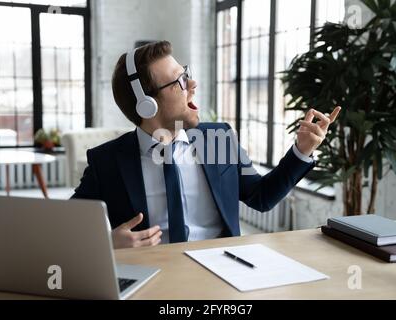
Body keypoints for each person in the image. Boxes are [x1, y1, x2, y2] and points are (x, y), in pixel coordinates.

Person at [71, 40, 341, 249]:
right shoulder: (106, 162)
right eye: (179, 81)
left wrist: (302, 150)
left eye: (185, 73)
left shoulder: (218, 138)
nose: (192, 83)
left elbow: (261, 197)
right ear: (147, 104)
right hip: (151, 276)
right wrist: (107, 241)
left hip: (221, 269)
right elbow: (64, 228)